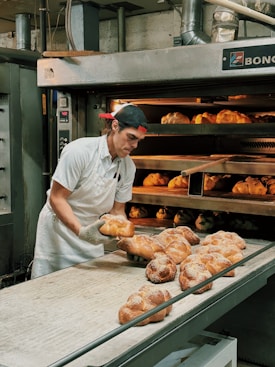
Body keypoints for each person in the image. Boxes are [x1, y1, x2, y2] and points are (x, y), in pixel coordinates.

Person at [31, 103, 148, 278]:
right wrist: (80, 231)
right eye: (131, 137)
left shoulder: (128, 167)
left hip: (91, 234)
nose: (135, 145)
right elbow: (57, 199)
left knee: (88, 287)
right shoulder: (79, 152)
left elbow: (117, 211)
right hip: (59, 235)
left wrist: (128, 244)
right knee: (50, 289)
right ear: (115, 126)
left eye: (138, 140)